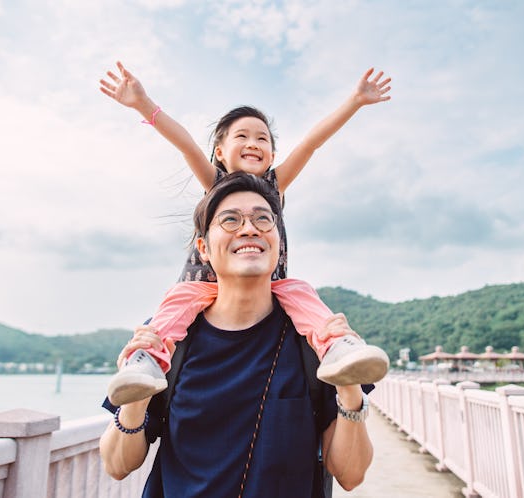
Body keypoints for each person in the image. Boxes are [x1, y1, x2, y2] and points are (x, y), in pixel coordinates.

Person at [99, 62, 391, 406]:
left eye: (262, 138)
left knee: (300, 293)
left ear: (271, 155)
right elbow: (188, 146)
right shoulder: (217, 185)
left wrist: (354, 102)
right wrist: (143, 104)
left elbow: (311, 143)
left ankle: (337, 346)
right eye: (242, 136)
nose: (253, 142)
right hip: (205, 284)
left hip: (266, 285)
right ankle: (146, 360)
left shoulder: (274, 185)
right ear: (221, 152)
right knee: (174, 307)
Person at [99, 172, 374, 497]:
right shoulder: (168, 340)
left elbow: (351, 475)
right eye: (230, 220)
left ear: (277, 240)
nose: (249, 228)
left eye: (263, 219)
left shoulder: (312, 340)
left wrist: (350, 390)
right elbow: (117, 465)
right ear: (203, 248)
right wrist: (136, 403)